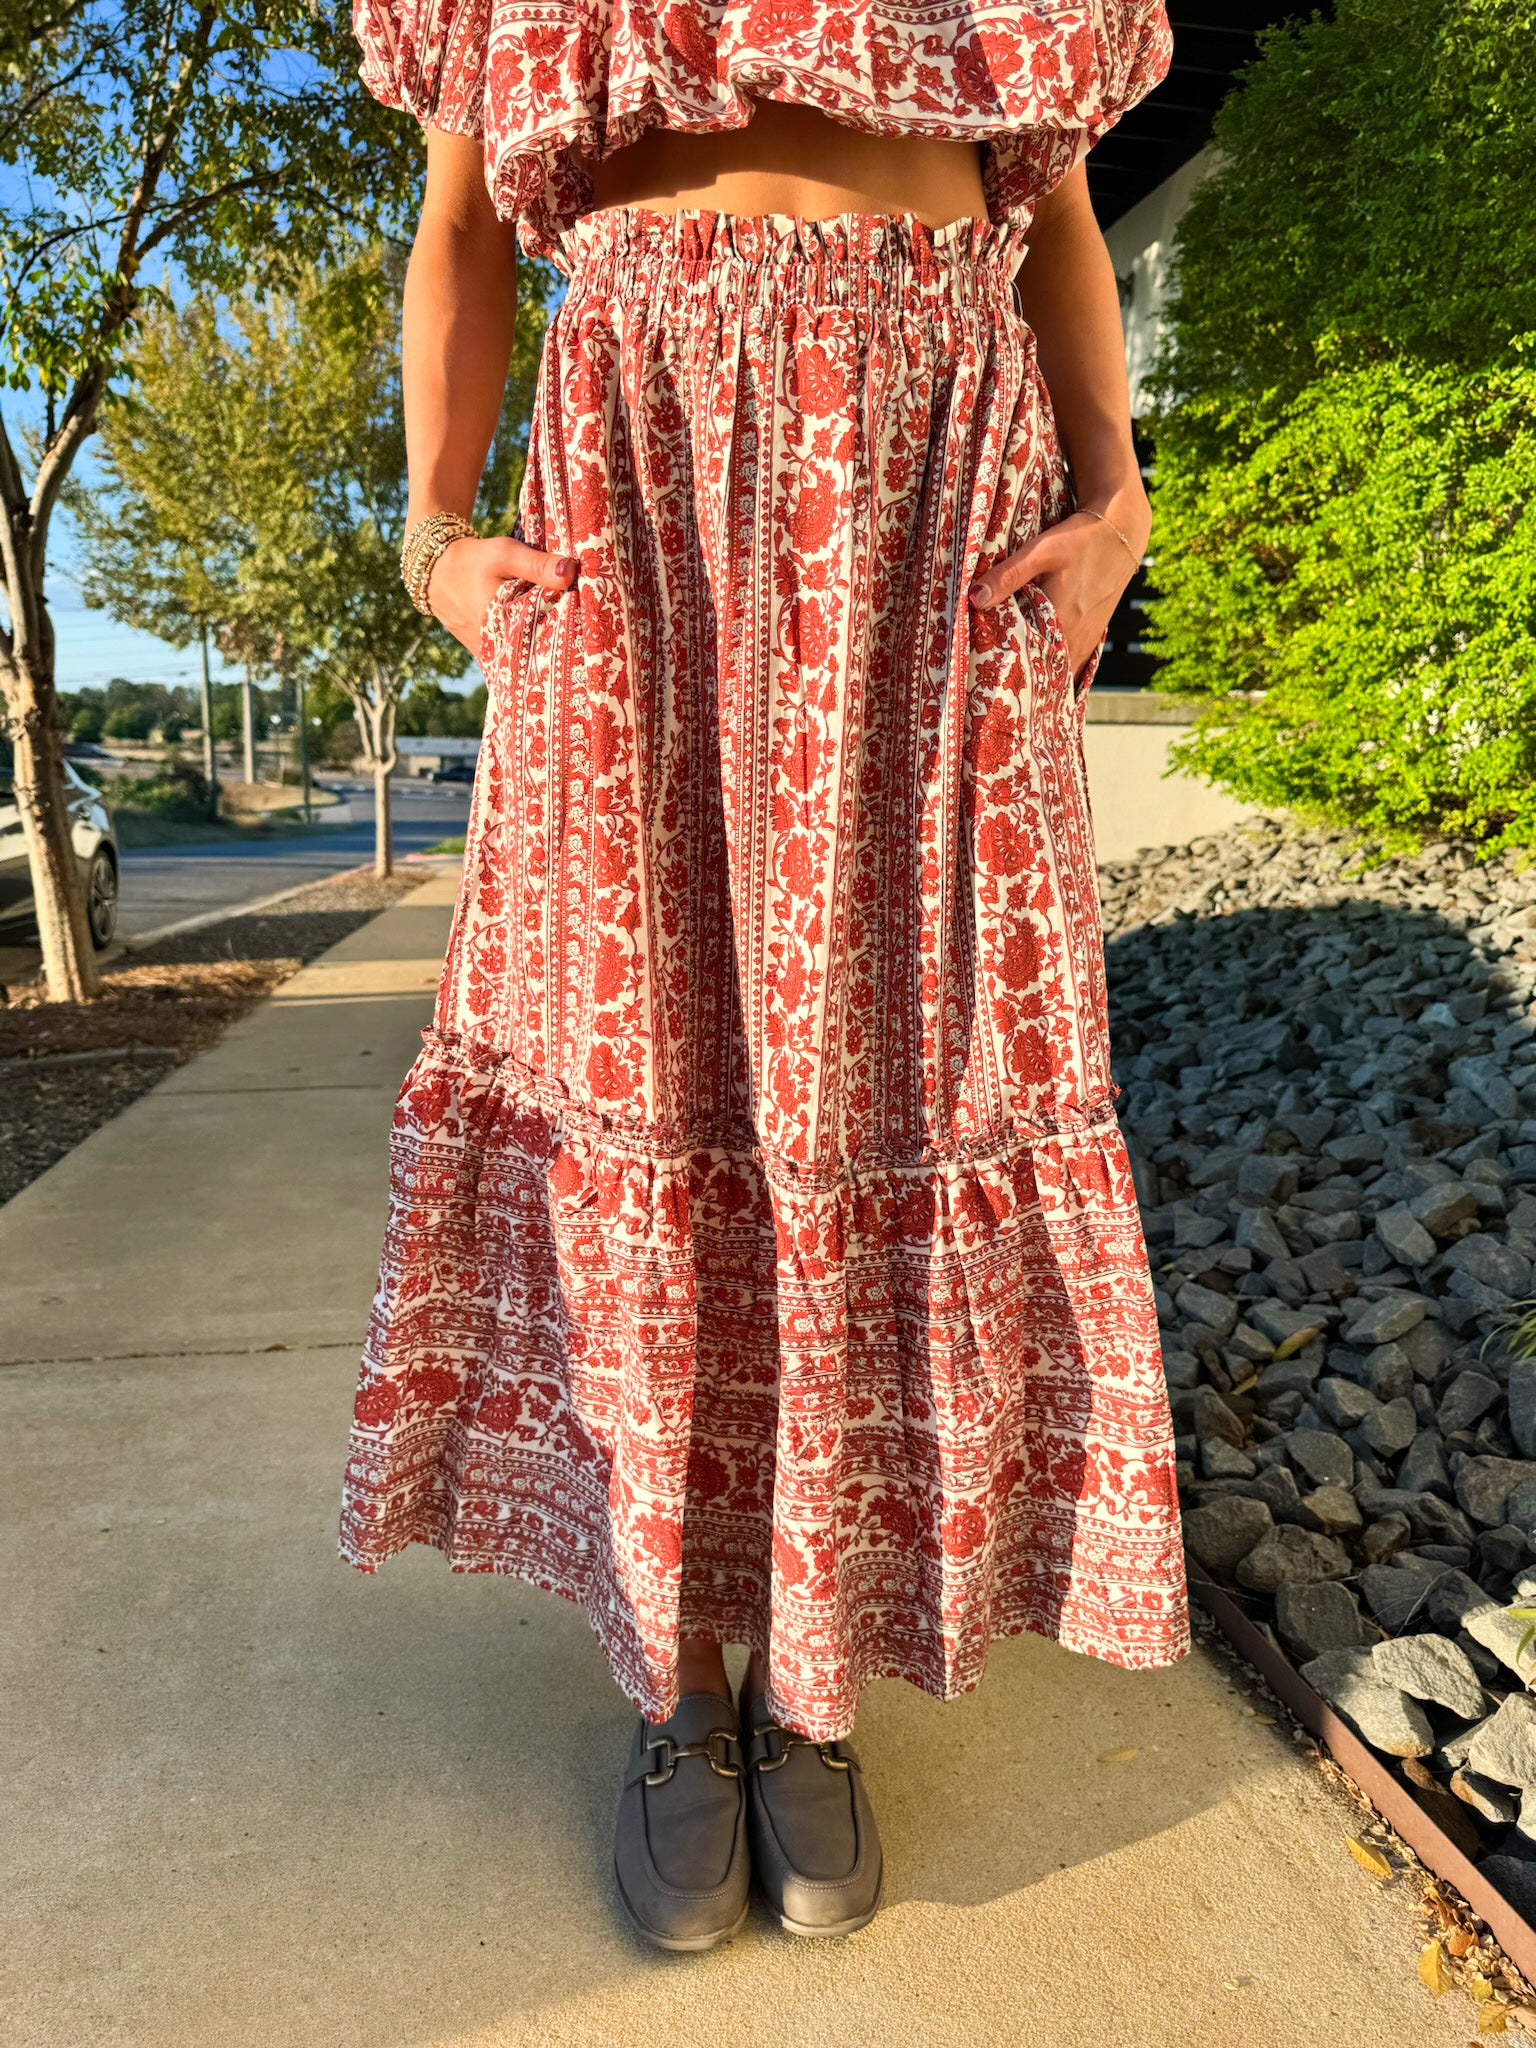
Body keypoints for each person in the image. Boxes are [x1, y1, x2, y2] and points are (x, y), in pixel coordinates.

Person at [341, 0, 1190, 1951]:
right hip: (636, 501)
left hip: (928, 522)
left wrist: (1117, 493)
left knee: (885, 1089)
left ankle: (814, 1688)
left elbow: (1047, 201)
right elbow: (462, 226)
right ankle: (678, 1691)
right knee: (657, 1092)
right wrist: (435, 536)